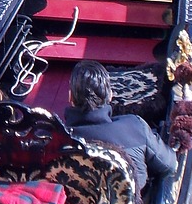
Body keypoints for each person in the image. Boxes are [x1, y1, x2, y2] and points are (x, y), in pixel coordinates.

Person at [63, 59, 177, 194]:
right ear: (110, 96)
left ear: (70, 97)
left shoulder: (57, 139)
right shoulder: (135, 127)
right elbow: (170, 165)